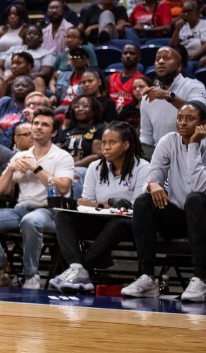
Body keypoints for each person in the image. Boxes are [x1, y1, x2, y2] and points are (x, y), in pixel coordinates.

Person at [49, 121, 149, 292]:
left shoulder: (143, 167)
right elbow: (86, 203)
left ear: (126, 145)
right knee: (62, 215)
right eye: (104, 142)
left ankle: (81, 270)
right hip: (100, 220)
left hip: (130, 225)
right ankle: (77, 267)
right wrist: (106, 204)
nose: (106, 147)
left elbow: (134, 208)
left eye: (112, 142)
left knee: (118, 223)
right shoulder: (96, 167)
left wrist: (104, 203)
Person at [122, 102, 206, 302]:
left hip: (202, 217)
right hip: (180, 218)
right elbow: (153, 174)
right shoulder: (169, 141)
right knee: (144, 201)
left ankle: (202, 279)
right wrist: (153, 184)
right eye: (179, 118)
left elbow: (200, 186)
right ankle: (148, 277)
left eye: (190, 119)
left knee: (195, 199)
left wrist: (194, 145)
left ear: (203, 124)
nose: (182, 123)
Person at [0, 109, 74, 289]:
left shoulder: (62, 156)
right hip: (21, 208)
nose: (39, 127)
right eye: (36, 123)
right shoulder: (20, 156)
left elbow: (63, 188)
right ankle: (5, 268)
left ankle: (31, 275)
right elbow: (1, 190)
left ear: (54, 132)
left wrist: (36, 168)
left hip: (50, 211)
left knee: (30, 221)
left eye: (45, 125)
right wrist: (10, 169)